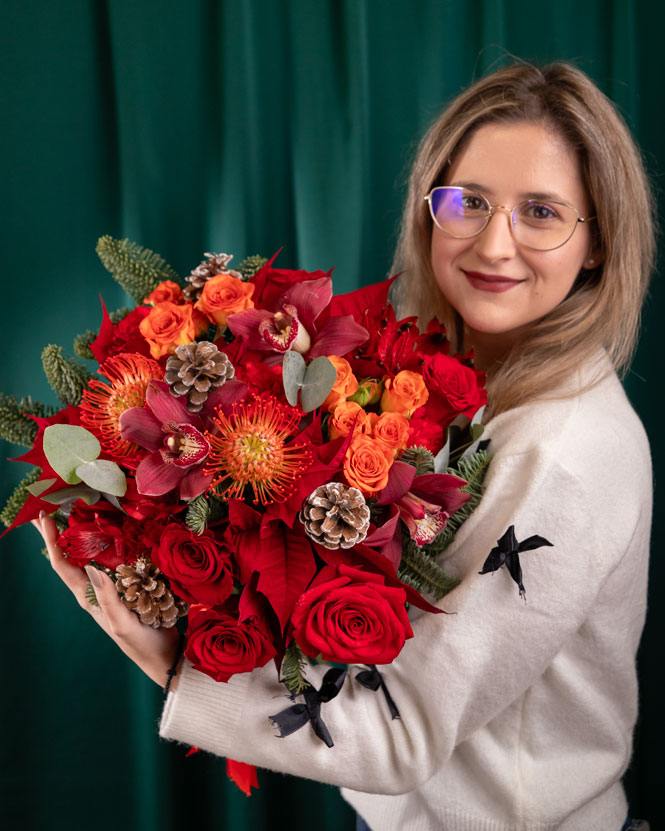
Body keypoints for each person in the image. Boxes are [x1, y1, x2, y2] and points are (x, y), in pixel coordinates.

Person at [33, 61, 653, 831]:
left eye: (540, 211)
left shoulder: (566, 450)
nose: (495, 243)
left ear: (597, 243)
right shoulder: (450, 376)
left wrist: (169, 661)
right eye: (467, 201)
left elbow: (402, 732)